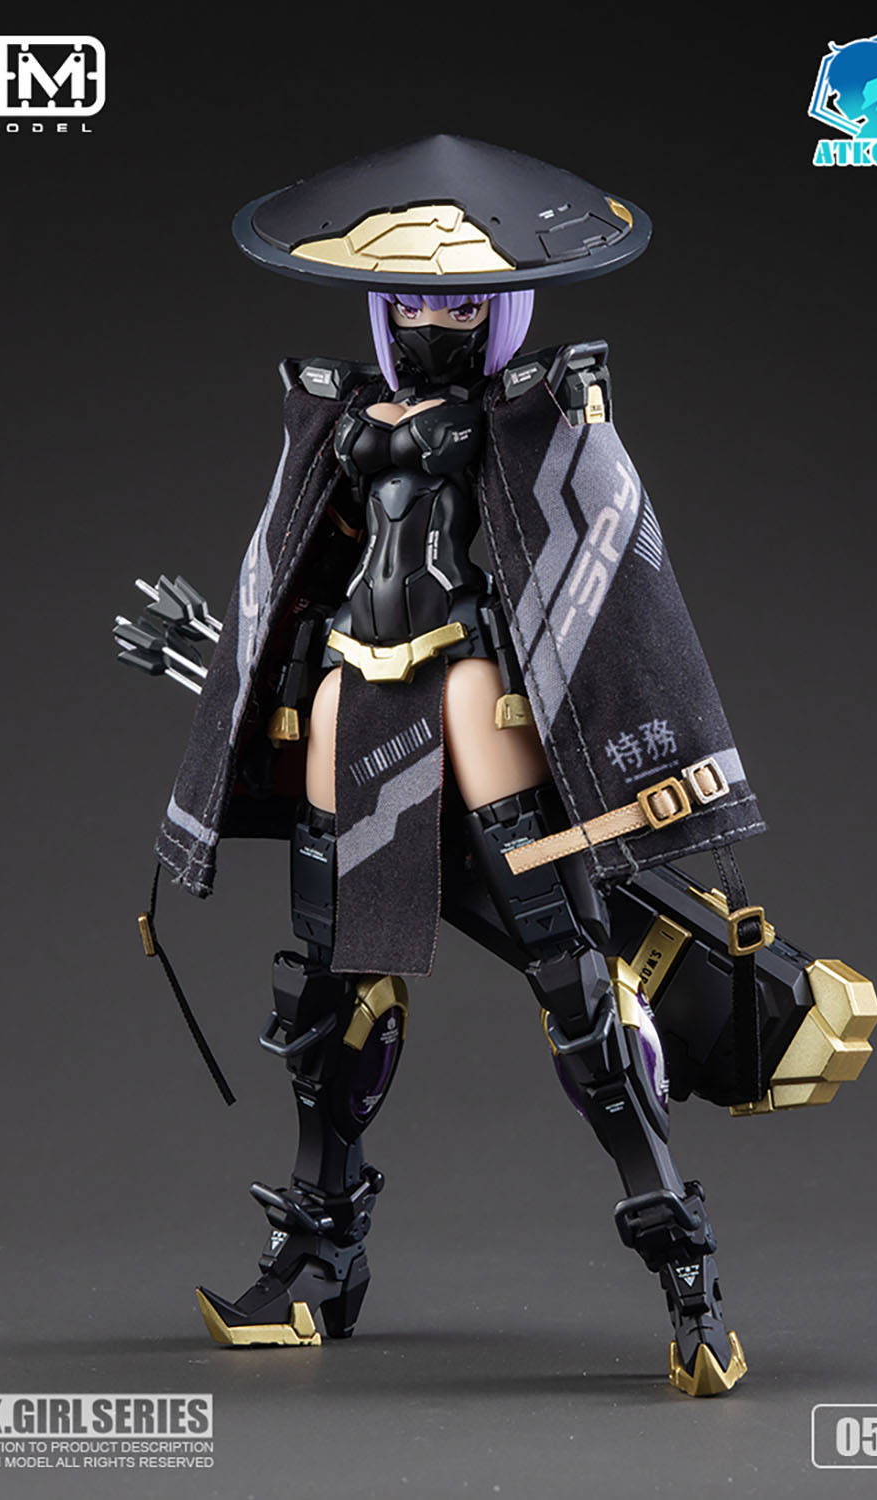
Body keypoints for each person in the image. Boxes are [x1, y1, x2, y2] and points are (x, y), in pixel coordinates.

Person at [152, 136, 763, 1395]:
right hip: (350, 690)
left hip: (473, 689)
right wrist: (219, 660)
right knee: (329, 989)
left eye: (461, 301)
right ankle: (318, 1255)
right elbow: (295, 583)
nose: (433, 317)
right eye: (412, 299)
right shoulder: (335, 417)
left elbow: (599, 568)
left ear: (502, 307)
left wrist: (648, 758)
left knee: (573, 980)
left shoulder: (534, 415)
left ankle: (683, 1267)